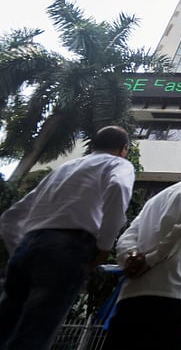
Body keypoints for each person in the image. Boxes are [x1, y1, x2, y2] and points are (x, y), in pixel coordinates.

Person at [0, 125, 134, 350]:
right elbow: (119, 187)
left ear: (93, 146)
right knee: (34, 333)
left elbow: (10, 218)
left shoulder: (64, 168)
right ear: (124, 149)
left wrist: (22, 249)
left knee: (5, 324)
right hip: (68, 248)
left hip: (27, 246)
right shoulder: (118, 164)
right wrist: (104, 247)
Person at [103, 153, 181, 350]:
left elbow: (127, 237)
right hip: (174, 292)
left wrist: (129, 259)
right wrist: (149, 260)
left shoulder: (155, 199)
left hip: (131, 295)